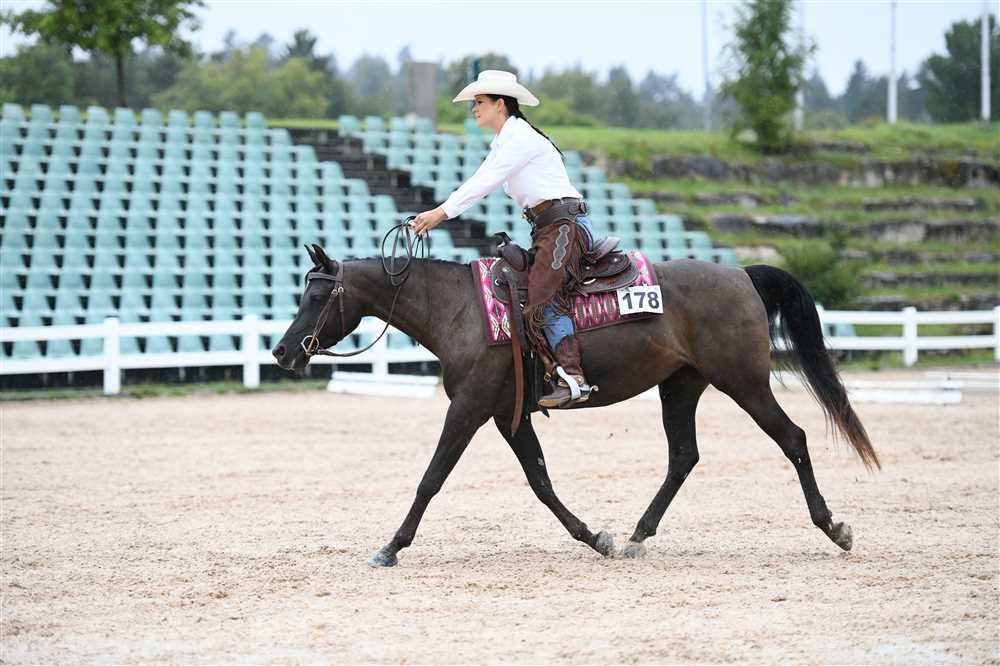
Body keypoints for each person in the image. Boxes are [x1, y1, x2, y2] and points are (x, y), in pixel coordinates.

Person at [411, 70, 594, 408]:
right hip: (550, 227)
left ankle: (573, 377)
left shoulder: (519, 138)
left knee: (542, 295)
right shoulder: (506, 140)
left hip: (563, 226)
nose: (474, 108)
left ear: (500, 104)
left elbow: (484, 182)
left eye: (479, 102)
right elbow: (482, 178)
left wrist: (440, 213)